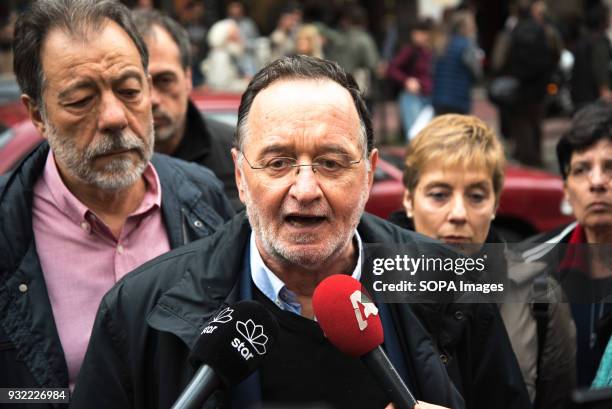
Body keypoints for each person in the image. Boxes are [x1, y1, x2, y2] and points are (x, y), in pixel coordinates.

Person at [72, 55, 465, 409]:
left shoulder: (457, 283)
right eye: (278, 163)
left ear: (368, 173)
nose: (306, 189)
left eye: (331, 162)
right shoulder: (136, 307)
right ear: (241, 176)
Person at [0, 0, 233, 396]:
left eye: (128, 90)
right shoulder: (8, 224)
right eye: (80, 100)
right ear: (37, 113)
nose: (113, 117)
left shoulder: (202, 195)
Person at [392, 114, 565, 408]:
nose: (459, 213)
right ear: (409, 199)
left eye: (475, 196)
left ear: (496, 204)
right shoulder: (366, 289)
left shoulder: (537, 296)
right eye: (439, 195)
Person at [524, 101, 612, 387]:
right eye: (581, 169)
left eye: (610, 167)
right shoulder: (529, 266)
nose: (597, 182)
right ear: (565, 188)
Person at [132, 9, 240, 209]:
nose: (152, 99)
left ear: (188, 78)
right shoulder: (98, 168)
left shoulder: (238, 154)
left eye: (165, 80)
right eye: (134, 86)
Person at [497, 0, 561, 167]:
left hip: (519, 85)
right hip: (540, 85)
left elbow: (500, 59)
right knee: (536, 121)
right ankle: (537, 158)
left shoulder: (513, 31)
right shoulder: (545, 30)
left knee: (521, 122)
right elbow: (556, 54)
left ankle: (525, 157)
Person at [387, 19, 434, 140]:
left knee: (429, 135)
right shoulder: (409, 51)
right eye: (415, 32)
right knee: (415, 135)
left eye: (421, 32)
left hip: (430, 97)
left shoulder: (432, 52)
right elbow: (392, 69)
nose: (417, 36)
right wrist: (406, 81)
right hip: (412, 97)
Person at [571, 3, 612, 111]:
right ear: (602, 20)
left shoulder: (583, 39)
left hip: (580, 99)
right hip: (594, 101)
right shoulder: (599, 41)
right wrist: (605, 91)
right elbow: (600, 67)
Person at [201, 18, 251, 93]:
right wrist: (246, 84)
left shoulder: (228, 54)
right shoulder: (220, 56)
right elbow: (221, 86)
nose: (238, 36)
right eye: (234, 34)